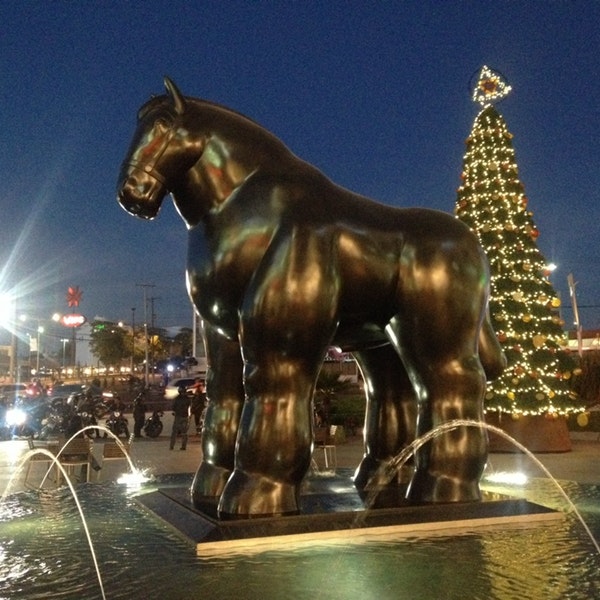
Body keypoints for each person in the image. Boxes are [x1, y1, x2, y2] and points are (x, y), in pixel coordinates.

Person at [170, 385, 190, 450]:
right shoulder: (187, 398)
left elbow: (173, 407)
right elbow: (189, 405)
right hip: (185, 416)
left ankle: (172, 446)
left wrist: (174, 411)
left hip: (178, 416)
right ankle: (184, 446)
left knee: (174, 432)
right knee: (184, 432)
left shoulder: (177, 399)